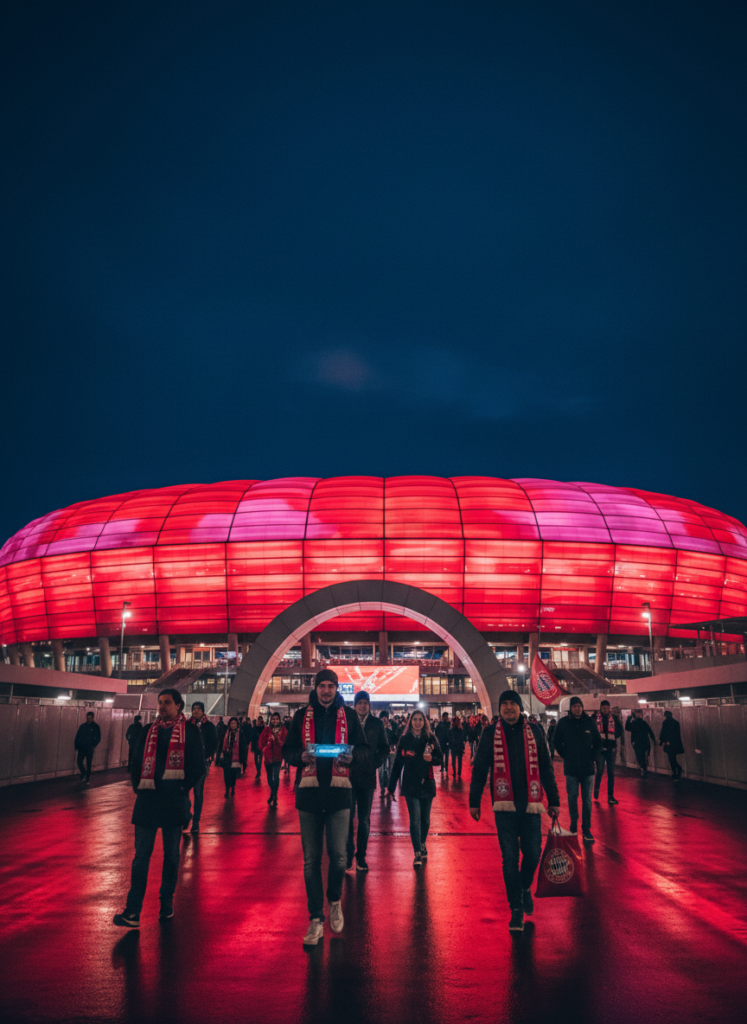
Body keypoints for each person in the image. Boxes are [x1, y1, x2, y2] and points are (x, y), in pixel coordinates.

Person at [282, 669, 364, 946]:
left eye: (331, 686)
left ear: (337, 688)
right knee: (311, 861)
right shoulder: (300, 716)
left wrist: (351, 757)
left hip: (340, 795)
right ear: (315, 688)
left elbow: (364, 750)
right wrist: (299, 756)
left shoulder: (349, 716)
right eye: (322, 686)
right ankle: (316, 918)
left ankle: (335, 900)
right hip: (309, 795)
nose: (326, 690)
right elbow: (288, 750)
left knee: (339, 857)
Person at [469, 689, 560, 932]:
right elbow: (479, 768)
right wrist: (474, 800)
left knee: (532, 853)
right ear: (500, 708)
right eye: (504, 704)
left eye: (513, 704)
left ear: (520, 707)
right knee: (509, 859)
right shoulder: (490, 734)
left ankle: (523, 886)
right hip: (504, 807)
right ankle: (516, 909)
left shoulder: (535, 731)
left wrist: (554, 799)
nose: (508, 708)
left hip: (531, 806)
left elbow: (546, 767)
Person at [113, 688, 204, 927]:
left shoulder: (190, 732)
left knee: (171, 856)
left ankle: (166, 903)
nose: (162, 707)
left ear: (178, 705)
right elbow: (136, 760)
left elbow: (197, 765)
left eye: (167, 703)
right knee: (141, 856)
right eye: (160, 702)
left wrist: (182, 788)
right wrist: (137, 785)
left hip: (174, 802)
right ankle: (133, 911)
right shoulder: (147, 731)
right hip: (147, 801)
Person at [387, 710, 443, 867]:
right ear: (410, 721)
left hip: (427, 783)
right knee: (415, 819)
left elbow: (440, 758)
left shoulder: (430, 738)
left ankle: (422, 842)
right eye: (415, 719)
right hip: (410, 784)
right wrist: (391, 787)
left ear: (424, 722)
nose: (418, 722)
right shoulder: (404, 740)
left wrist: (432, 759)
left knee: (425, 819)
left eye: (421, 719)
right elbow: (398, 764)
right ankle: (417, 852)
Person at [346, 692, 390, 871]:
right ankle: (348, 856)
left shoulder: (377, 723)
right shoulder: (348, 721)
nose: (363, 706)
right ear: (355, 704)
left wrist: (374, 763)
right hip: (348, 777)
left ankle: (361, 856)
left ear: (369, 705)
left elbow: (385, 748)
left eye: (365, 703)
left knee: (364, 819)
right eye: (360, 703)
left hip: (367, 778)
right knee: (347, 818)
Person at [553, 697, 601, 844]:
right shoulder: (563, 723)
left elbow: (598, 742)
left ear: (582, 707)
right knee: (572, 797)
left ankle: (586, 828)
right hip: (571, 768)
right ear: (570, 708)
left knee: (587, 800)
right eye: (574, 706)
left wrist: (592, 757)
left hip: (587, 769)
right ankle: (573, 823)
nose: (577, 709)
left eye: (579, 706)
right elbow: (556, 741)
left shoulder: (590, 723)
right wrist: (566, 755)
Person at [187, 702, 218, 833]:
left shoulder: (209, 726)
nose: (196, 711)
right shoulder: (187, 725)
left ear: (203, 711)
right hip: (187, 764)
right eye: (194, 709)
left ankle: (196, 821)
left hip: (202, 763)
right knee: (184, 792)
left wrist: (207, 755)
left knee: (198, 792)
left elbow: (214, 742)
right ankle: (186, 816)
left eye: (199, 709)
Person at [594, 699, 622, 803]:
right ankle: (596, 789)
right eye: (603, 708)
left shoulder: (614, 718)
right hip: (600, 749)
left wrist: (613, 738)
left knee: (611, 772)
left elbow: (620, 730)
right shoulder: (595, 718)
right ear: (600, 708)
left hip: (610, 749)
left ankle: (610, 796)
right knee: (600, 770)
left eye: (607, 708)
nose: (605, 710)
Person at [259, 712, 287, 807]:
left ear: (279, 720)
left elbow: (285, 741)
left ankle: (274, 795)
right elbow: (261, 740)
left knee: (276, 775)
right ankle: (273, 793)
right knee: (269, 777)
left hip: (278, 757)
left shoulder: (283, 730)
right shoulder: (267, 729)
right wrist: (262, 748)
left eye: (277, 719)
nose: (275, 720)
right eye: (273, 719)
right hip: (268, 757)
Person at [626, 708, 656, 777]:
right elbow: (650, 731)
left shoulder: (634, 723)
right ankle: (644, 768)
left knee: (639, 756)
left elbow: (627, 727)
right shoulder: (644, 723)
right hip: (645, 742)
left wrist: (630, 717)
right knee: (643, 756)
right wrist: (653, 739)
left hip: (637, 743)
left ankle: (643, 768)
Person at [219, 717, 245, 798]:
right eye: (231, 723)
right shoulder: (226, 733)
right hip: (227, 757)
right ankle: (227, 790)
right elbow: (221, 744)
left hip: (235, 758)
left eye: (235, 723)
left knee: (233, 775)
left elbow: (243, 747)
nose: (233, 725)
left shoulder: (240, 734)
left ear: (237, 724)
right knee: (226, 775)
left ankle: (232, 788)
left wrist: (242, 760)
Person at [74, 711, 101, 784]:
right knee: (79, 762)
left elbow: (98, 738)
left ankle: (86, 778)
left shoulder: (95, 727)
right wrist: (76, 745)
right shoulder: (83, 726)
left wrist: (93, 745)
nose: (89, 719)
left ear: (92, 718)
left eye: (90, 718)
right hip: (82, 747)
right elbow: (78, 736)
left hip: (89, 748)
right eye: (88, 718)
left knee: (88, 764)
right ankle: (84, 774)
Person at [659, 710, 684, 779]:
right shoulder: (676, 723)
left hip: (668, 744)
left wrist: (662, 742)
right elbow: (677, 735)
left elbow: (663, 733)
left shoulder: (665, 723)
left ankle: (675, 772)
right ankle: (677, 771)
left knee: (671, 759)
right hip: (675, 744)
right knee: (673, 758)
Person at [378, 712, 397, 793]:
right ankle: (382, 787)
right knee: (381, 770)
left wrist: (390, 729)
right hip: (381, 751)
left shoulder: (394, 725)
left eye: (385, 717)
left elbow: (396, 738)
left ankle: (389, 787)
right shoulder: (377, 727)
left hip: (391, 751)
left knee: (390, 769)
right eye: (382, 717)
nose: (384, 719)